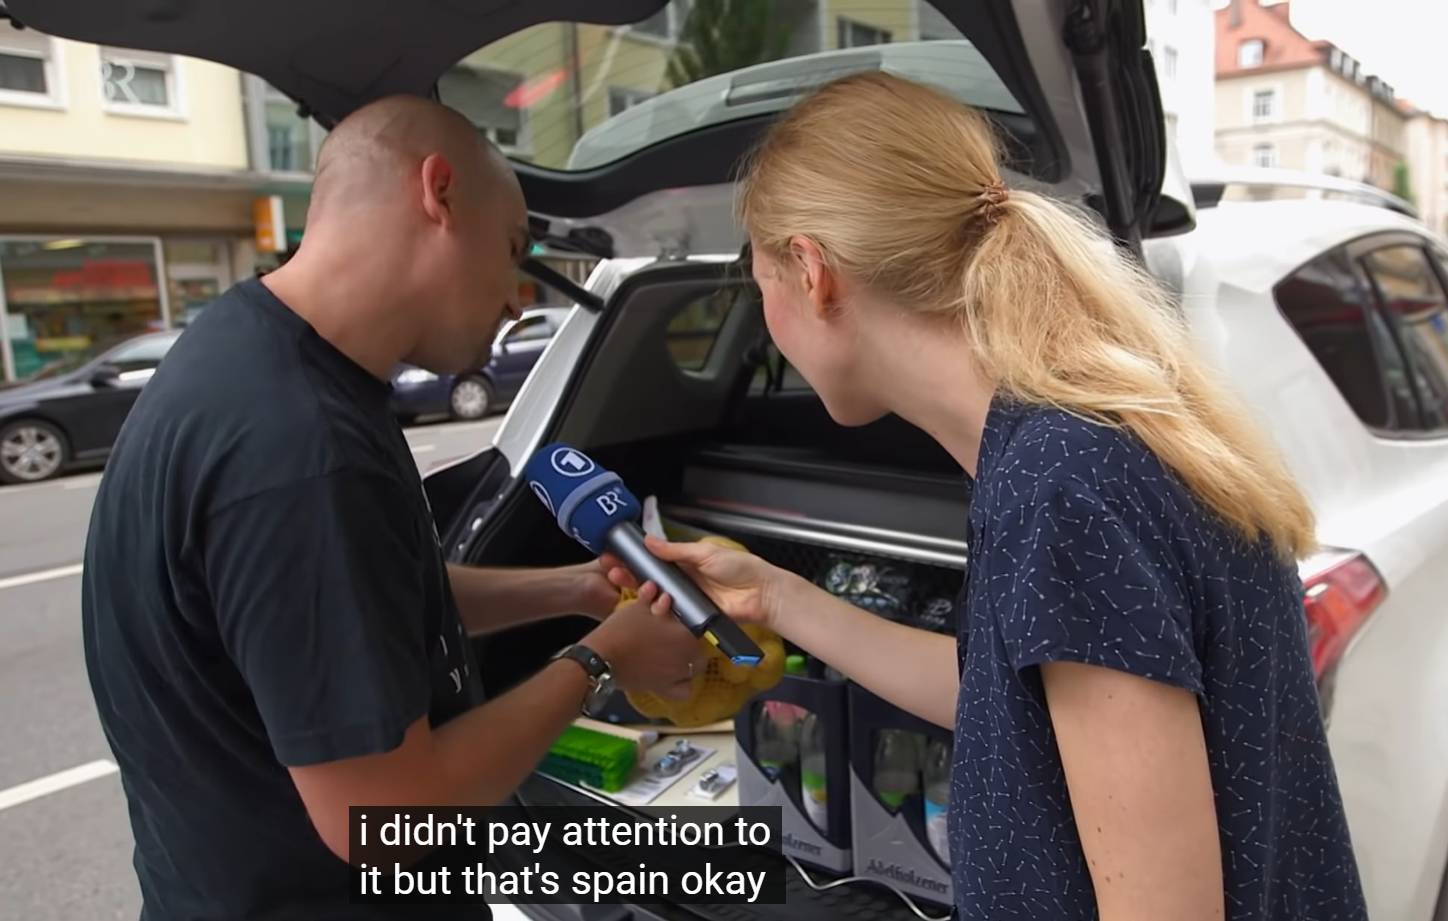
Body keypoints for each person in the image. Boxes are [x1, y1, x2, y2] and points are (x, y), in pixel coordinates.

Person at [606, 74, 1369, 921]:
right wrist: (774, 596)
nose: (769, 320)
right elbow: (1011, 705)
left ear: (814, 273)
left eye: (762, 285)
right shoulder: (1063, 445)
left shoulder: (1062, 487)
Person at [81, 96, 705, 921]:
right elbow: (387, 820)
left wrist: (575, 590)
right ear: (437, 193)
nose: (522, 297)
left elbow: (355, 601)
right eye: (516, 248)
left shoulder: (253, 357)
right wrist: (600, 659)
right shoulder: (299, 449)